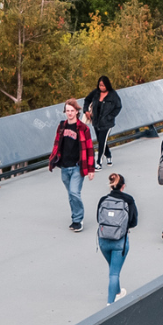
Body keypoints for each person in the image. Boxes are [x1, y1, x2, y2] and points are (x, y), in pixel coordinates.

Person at [49, 99, 97, 232]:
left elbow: (89, 149)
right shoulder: (62, 126)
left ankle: (78, 220)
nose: (70, 113)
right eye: (67, 111)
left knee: (74, 192)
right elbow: (56, 144)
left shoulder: (83, 128)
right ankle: (75, 217)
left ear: (77, 111)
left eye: (72, 111)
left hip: (77, 166)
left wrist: (91, 169)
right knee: (71, 194)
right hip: (64, 167)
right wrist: (52, 160)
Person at [93, 173, 138, 304]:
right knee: (114, 274)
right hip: (119, 242)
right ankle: (110, 304)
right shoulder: (129, 200)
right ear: (123, 186)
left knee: (113, 269)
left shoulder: (103, 200)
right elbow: (134, 222)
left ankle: (118, 292)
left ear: (110, 186)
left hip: (103, 241)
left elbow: (98, 219)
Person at [81, 76, 123, 170]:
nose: (101, 87)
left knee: (101, 141)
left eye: (103, 86)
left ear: (107, 85)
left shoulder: (113, 95)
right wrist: (86, 111)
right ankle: (108, 156)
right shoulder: (95, 93)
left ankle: (98, 162)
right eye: (100, 85)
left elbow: (118, 107)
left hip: (107, 123)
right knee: (101, 141)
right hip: (96, 121)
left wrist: (110, 117)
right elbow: (87, 100)